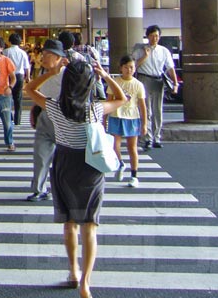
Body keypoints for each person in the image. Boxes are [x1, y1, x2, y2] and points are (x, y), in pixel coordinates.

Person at [25, 57, 128, 298]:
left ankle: (73, 271)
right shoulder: (95, 109)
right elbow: (122, 98)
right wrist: (106, 76)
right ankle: (86, 283)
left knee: (69, 223)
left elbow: (29, 88)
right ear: (89, 83)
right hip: (89, 166)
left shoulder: (54, 107)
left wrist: (52, 72)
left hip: (63, 163)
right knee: (89, 227)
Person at [26, 40, 67, 201]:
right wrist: (33, 110)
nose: (42, 57)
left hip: (62, 118)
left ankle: (64, 188)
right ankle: (39, 189)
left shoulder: (67, 73)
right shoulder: (43, 72)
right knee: (41, 154)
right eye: (43, 54)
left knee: (64, 157)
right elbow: (35, 91)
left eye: (46, 54)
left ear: (57, 57)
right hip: (44, 115)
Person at [132, 25, 178, 149]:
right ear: (147, 36)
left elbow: (170, 68)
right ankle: (148, 137)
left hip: (158, 80)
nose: (154, 38)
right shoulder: (140, 50)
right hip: (144, 79)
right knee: (146, 109)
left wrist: (175, 83)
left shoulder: (164, 51)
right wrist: (145, 56)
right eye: (152, 36)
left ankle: (157, 137)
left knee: (157, 109)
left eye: (157, 36)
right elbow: (133, 66)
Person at [106, 55, 147, 188]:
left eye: (131, 67)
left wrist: (144, 123)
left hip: (132, 117)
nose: (129, 70)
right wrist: (104, 118)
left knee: (132, 147)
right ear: (121, 68)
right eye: (126, 67)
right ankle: (120, 163)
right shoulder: (114, 82)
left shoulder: (138, 85)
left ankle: (134, 175)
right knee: (114, 145)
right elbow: (108, 101)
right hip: (116, 115)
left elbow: (142, 105)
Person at [5, 33, 31, 125]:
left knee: (7, 98)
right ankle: (18, 120)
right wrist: (28, 77)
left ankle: (9, 117)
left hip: (8, 77)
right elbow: (26, 66)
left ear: (10, 41)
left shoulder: (6, 52)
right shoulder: (23, 53)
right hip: (19, 76)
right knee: (18, 98)